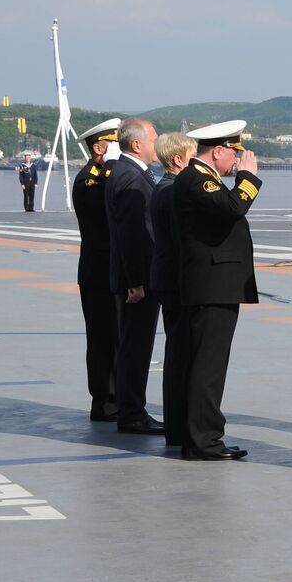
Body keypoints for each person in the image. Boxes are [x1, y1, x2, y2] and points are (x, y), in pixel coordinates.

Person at [174, 120, 261, 461]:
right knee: (208, 366)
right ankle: (203, 440)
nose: (237, 160)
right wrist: (249, 179)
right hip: (211, 287)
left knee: (205, 364)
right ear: (219, 150)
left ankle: (201, 435)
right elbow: (232, 208)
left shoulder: (201, 179)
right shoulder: (197, 179)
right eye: (235, 153)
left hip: (214, 285)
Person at [105, 118, 163, 434]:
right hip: (137, 282)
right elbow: (131, 235)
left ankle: (132, 409)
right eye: (154, 138)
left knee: (135, 346)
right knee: (135, 347)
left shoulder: (129, 173)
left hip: (136, 277)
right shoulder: (130, 178)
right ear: (137, 144)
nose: (158, 144)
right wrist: (137, 282)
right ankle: (132, 413)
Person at [71, 118, 122, 421]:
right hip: (98, 271)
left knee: (115, 337)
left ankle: (116, 398)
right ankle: (105, 401)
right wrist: (114, 168)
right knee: (103, 339)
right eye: (114, 144)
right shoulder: (89, 180)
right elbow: (108, 205)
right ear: (100, 147)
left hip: (108, 270)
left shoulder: (104, 175)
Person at [150, 132, 194, 447]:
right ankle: (179, 427)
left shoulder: (163, 188)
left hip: (169, 279)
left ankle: (176, 426)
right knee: (182, 355)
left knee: (178, 353)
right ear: (178, 159)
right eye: (193, 157)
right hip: (178, 282)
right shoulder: (173, 192)